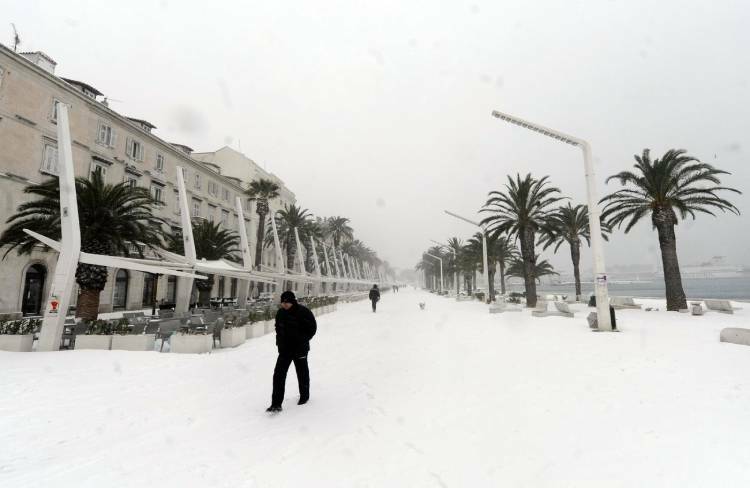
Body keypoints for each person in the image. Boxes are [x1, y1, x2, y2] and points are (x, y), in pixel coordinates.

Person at [267, 291, 317, 413]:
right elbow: (278, 328)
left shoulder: (303, 312)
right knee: (278, 375)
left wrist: (303, 340)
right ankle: (276, 403)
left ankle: (304, 397)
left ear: (292, 301)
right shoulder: (280, 313)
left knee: (302, 373)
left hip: (300, 349)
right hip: (285, 350)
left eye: (287, 302)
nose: (284, 305)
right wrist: (279, 343)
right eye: (283, 302)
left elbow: (312, 328)